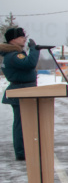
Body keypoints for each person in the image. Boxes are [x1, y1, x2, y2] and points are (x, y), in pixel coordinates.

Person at [1, 27, 40, 161]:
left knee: (22, 122)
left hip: (23, 91)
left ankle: (24, 149)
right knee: (21, 123)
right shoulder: (13, 56)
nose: (24, 38)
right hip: (21, 92)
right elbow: (29, 63)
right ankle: (21, 151)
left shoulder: (13, 54)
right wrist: (34, 49)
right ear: (13, 40)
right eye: (21, 36)